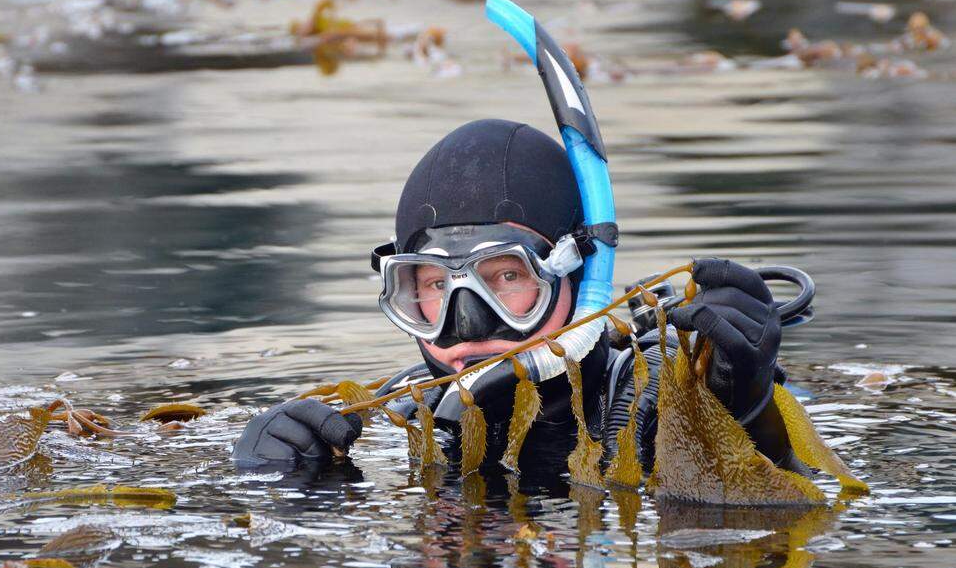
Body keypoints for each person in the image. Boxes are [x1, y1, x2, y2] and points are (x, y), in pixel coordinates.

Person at [232, 118, 806, 478]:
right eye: (434, 285)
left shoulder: (655, 393)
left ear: (579, 279)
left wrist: (747, 413)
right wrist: (280, 480)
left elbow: (774, 515)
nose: (469, 324)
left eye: (506, 277)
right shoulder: (403, 414)